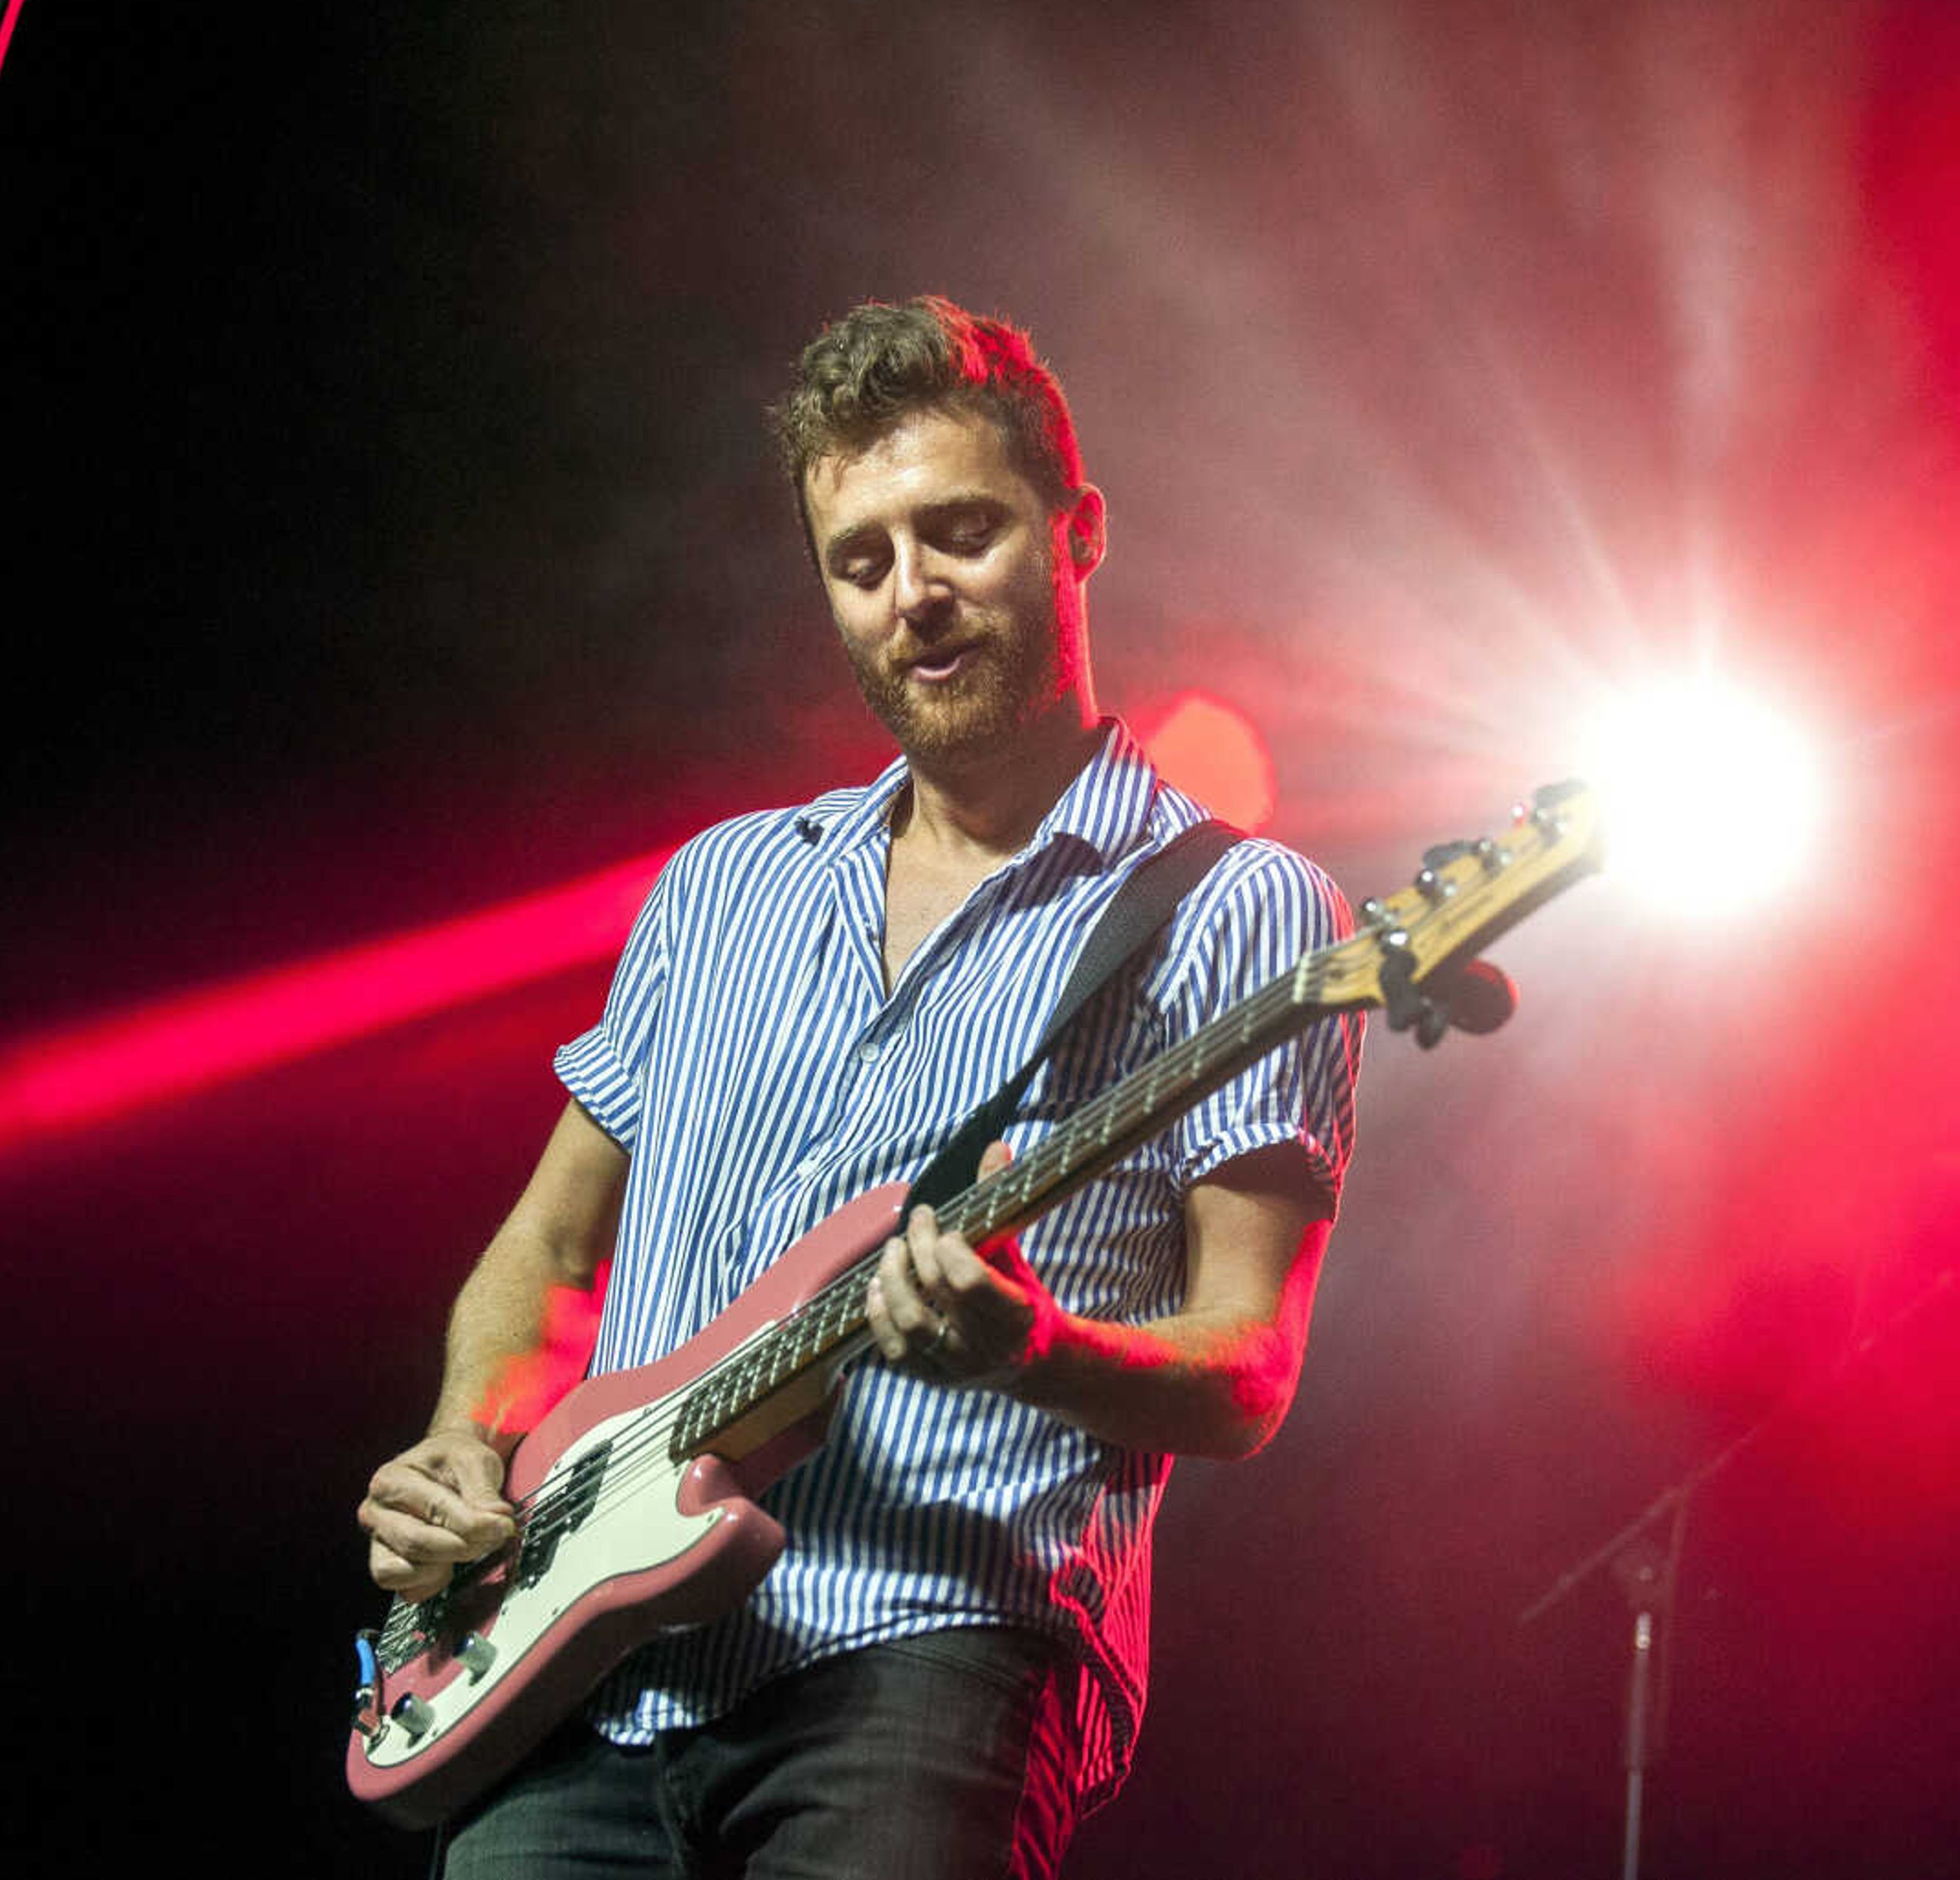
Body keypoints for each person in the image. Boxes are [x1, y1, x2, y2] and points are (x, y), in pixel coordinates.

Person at [357, 296, 1362, 1878]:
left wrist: (1027, 1345)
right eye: (865, 558)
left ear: (1077, 531)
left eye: (961, 533)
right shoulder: (721, 886)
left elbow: (1251, 1366)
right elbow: (549, 1259)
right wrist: (467, 1445)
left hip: (930, 1647)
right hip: (580, 1679)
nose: (918, 596)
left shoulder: (1238, 910)